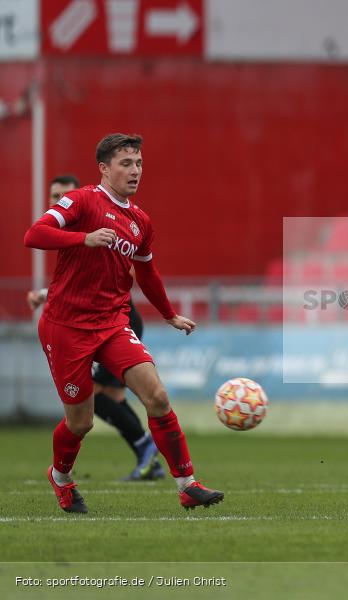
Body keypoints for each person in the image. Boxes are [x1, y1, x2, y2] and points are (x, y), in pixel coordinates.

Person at [23, 133, 223, 513]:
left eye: (139, 164)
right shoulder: (81, 200)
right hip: (65, 325)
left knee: (158, 396)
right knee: (81, 423)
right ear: (104, 168)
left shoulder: (140, 222)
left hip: (112, 322)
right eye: (126, 164)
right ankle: (61, 477)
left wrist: (168, 314)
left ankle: (187, 483)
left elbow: (148, 274)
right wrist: (84, 238)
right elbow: (34, 235)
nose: (135, 171)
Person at [28, 174, 163, 481]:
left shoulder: (99, 219)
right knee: (108, 398)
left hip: (117, 320)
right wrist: (43, 295)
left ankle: (146, 449)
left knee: (99, 395)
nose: (58, 200)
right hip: (90, 321)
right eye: (54, 195)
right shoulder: (68, 230)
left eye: (64, 194)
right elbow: (77, 284)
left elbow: (113, 275)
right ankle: (147, 454)